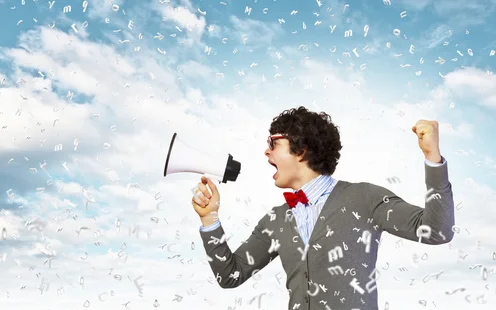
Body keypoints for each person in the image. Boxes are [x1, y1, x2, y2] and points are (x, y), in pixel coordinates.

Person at [192, 107, 454, 310]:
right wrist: (210, 218)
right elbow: (230, 276)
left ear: (302, 150)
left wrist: (433, 158)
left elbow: (438, 231)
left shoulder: (365, 198)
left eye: (273, 143)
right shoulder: (275, 220)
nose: (266, 151)